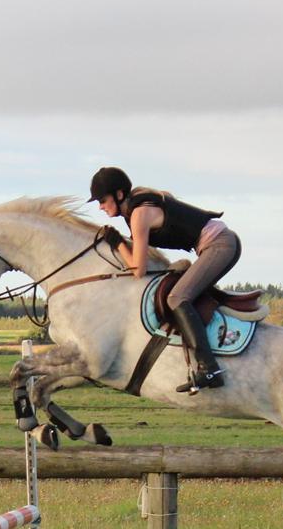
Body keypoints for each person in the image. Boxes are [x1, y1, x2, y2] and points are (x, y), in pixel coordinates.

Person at [88, 166, 240, 393]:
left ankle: (209, 368)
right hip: (215, 244)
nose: (100, 206)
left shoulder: (139, 214)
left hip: (220, 245)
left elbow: (138, 269)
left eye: (102, 200)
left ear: (119, 195)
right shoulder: (137, 206)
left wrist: (117, 243)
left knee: (177, 298)